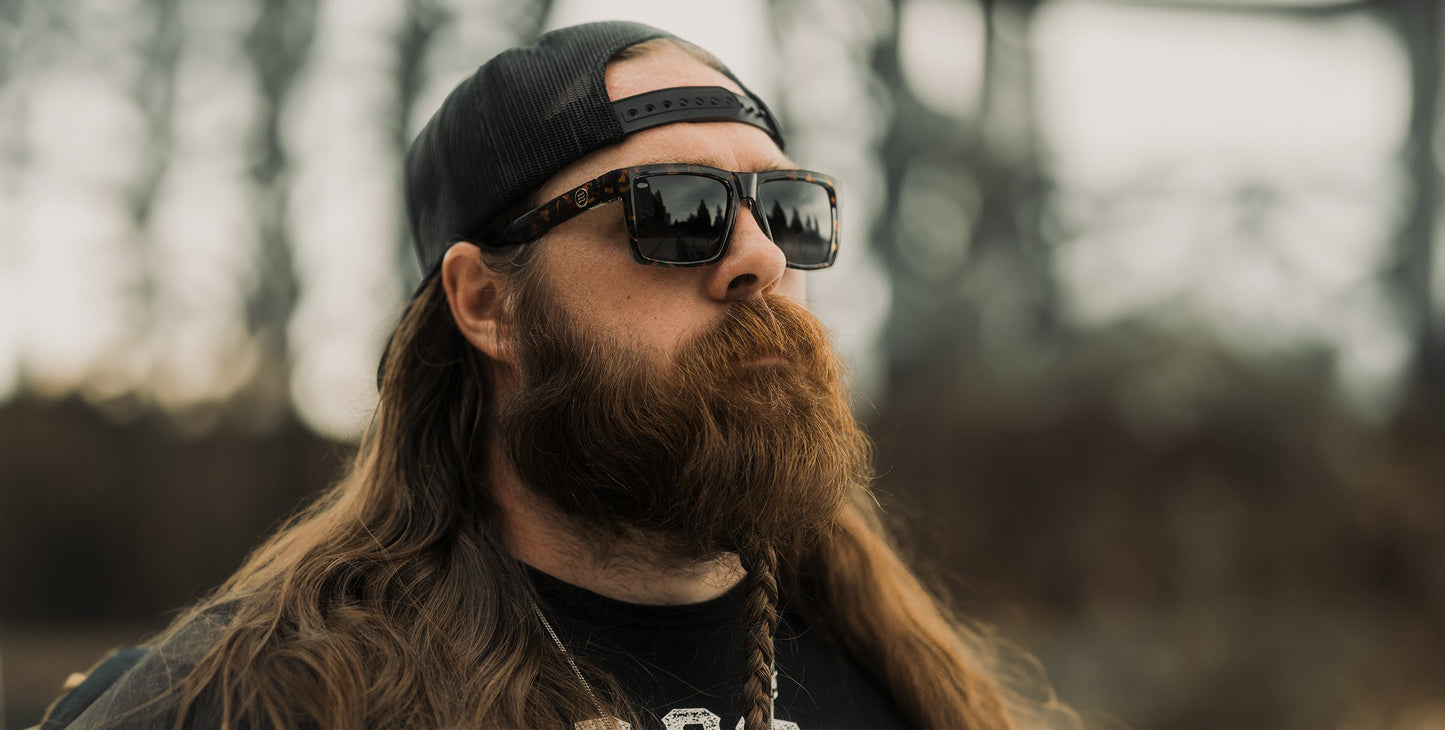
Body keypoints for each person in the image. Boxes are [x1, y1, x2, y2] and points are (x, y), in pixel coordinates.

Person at [40, 21, 1074, 730]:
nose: (759, 255)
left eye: (787, 209)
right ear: (486, 303)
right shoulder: (246, 701)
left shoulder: (915, 688)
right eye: (674, 209)